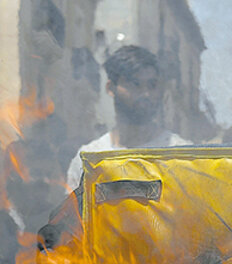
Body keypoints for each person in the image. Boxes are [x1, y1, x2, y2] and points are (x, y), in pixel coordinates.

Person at [66, 45, 188, 188]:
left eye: (152, 85)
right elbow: (74, 208)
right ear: (110, 88)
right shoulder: (89, 159)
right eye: (135, 84)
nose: (146, 94)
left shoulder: (180, 155)